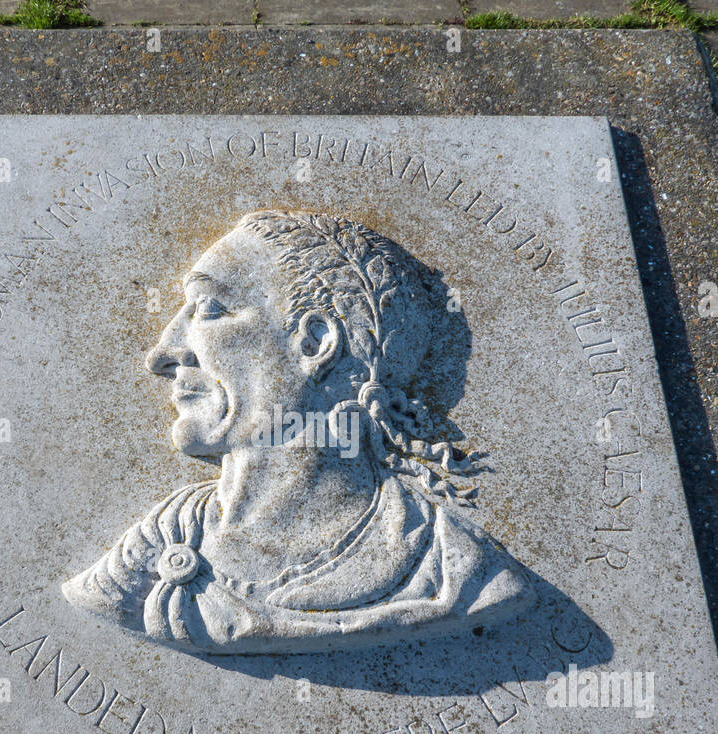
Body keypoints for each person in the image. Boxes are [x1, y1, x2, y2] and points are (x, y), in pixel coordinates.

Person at [63, 209, 535, 653]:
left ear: (315, 343)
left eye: (209, 309)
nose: (164, 352)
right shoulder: (149, 549)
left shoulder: (456, 575)